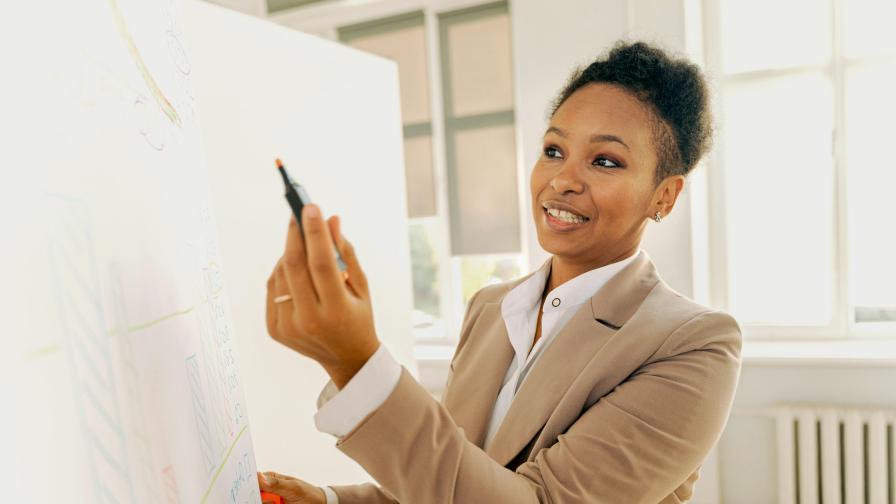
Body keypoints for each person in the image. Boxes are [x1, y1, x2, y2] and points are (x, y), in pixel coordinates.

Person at [258, 40, 742, 503]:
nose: (563, 180)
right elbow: (451, 479)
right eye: (554, 150)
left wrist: (356, 363)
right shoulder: (491, 308)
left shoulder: (694, 345)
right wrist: (328, 500)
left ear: (665, 195)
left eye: (605, 161)